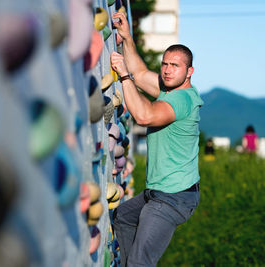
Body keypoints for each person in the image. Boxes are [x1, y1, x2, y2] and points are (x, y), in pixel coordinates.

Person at [110, 11, 203, 267]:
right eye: (165, 64)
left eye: (175, 66)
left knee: (141, 262)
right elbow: (140, 74)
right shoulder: (168, 88)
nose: (168, 70)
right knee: (123, 217)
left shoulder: (182, 100)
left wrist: (124, 76)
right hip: (157, 192)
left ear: (189, 71)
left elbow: (144, 115)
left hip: (173, 198)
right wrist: (127, 38)